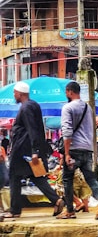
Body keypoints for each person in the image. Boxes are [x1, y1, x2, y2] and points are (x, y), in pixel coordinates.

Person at [3, 81, 65, 220]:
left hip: (22, 150)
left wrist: (35, 151)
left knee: (14, 176)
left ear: (20, 93)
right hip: (28, 150)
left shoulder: (26, 108)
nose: (14, 95)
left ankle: (14, 210)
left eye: (14, 93)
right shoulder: (33, 105)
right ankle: (56, 200)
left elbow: (32, 129)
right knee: (35, 176)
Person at [57, 81, 98, 220]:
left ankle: (69, 210)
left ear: (69, 91)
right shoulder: (88, 108)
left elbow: (67, 131)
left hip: (74, 149)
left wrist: (66, 153)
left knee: (67, 179)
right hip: (87, 148)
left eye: (66, 92)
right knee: (90, 178)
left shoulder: (67, 108)